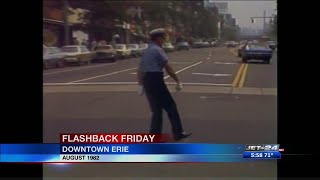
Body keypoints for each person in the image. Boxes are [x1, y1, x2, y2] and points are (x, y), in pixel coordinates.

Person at [137, 28, 192, 141]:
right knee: (171, 107)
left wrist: (141, 84)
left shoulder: (147, 51)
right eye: (163, 37)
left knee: (156, 110)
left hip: (147, 80)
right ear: (157, 38)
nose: (164, 40)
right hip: (156, 79)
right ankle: (178, 132)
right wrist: (177, 80)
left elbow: (140, 69)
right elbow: (168, 67)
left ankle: (154, 135)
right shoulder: (158, 50)